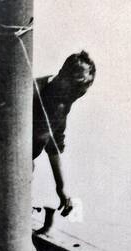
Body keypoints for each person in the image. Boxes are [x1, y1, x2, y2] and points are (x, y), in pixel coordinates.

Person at [31, 51, 96, 218]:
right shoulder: (32, 92)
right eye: (75, 89)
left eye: (81, 92)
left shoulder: (62, 103)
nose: (77, 95)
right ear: (62, 76)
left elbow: (54, 147)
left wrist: (61, 189)